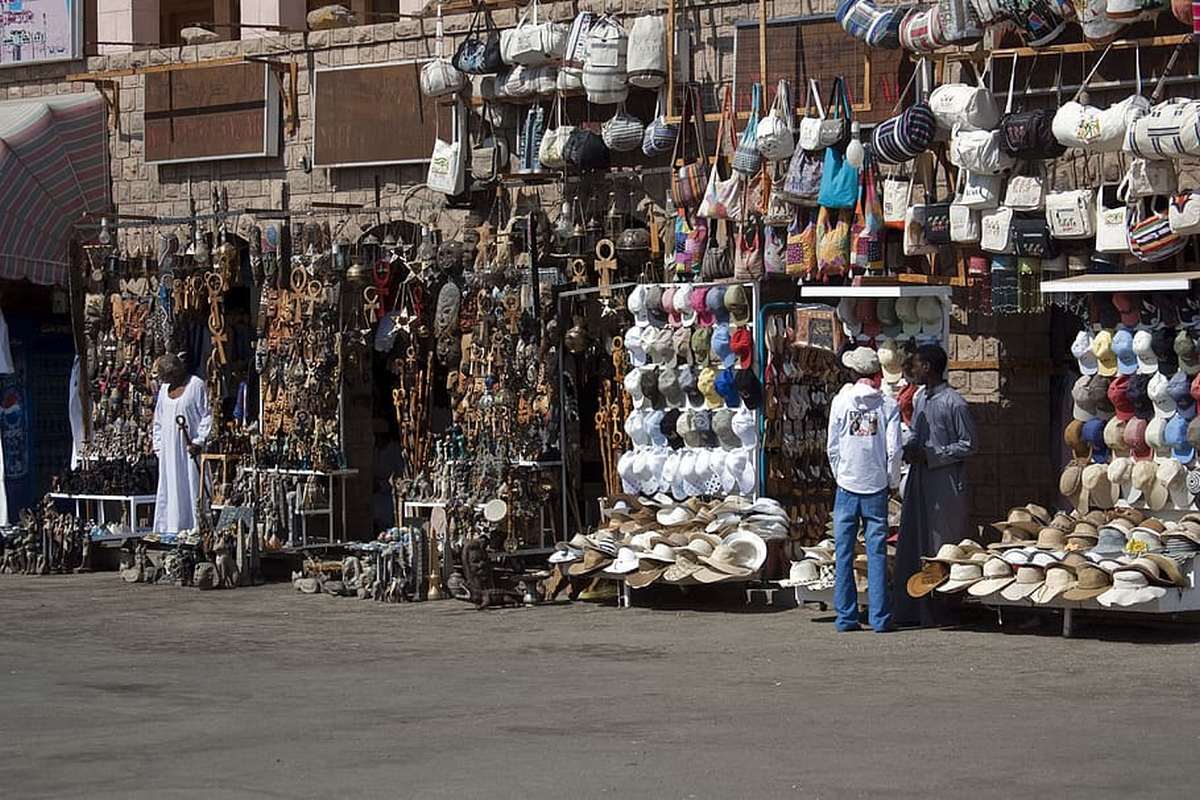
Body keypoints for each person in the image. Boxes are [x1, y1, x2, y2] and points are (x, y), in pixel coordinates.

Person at [894, 344, 977, 627]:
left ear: (927, 367)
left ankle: (946, 608)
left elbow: (969, 444)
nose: (913, 370)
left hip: (945, 485)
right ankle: (917, 607)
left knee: (942, 544)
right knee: (916, 540)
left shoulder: (955, 403)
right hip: (920, 481)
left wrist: (932, 455)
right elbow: (917, 435)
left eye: (916, 365)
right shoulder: (919, 399)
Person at [826, 346, 902, 633]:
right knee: (877, 553)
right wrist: (892, 481)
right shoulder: (887, 405)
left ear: (854, 372)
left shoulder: (841, 401)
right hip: (876, 484)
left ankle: (846, 617)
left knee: (843, 552)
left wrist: (840, 473)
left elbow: (832, 445)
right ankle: (880, 617)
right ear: (878, 374)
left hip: (847, 483)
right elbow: (894, 450)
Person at [152, 354, 212, 533]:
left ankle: (195, 527)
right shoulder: (164, 390)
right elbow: (158, 421)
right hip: (168, 453)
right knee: (170, 489)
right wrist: (159, 448)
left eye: (168, 377)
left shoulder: (196, 385)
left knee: (192, 487)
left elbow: (207, 416)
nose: (166, 381)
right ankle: (169, 529)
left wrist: (199, 442)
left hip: (190, 451)